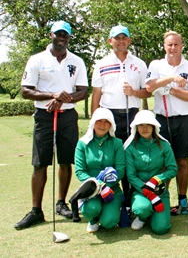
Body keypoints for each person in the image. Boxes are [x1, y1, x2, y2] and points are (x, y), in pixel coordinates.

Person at [15, 21, 88, 230]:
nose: (61, 37)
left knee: (66, 162)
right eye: (58, 34)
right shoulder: (37, 59)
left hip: (67, 116)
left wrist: (62, 100)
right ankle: (36, 210)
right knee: (40, 163)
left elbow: (83, 91)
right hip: (44, 115)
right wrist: (52, 95)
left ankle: (61, 203)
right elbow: (26, 90)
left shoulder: (77, 61)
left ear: (69, 37)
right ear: (51, 35)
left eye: (65, 34)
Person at [91, 25, 151, 198]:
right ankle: (108, 194)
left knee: (130, 156)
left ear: (129, 41)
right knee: (111, 156)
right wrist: (95, 120)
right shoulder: (101, 64)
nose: (121, 41)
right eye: (117, 38)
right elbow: (96, 94)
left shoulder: (139, 64)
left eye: (124, 38)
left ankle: (131, 196)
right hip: (108, 115)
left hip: (131, 114)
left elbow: (147, 91)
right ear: (110, 41)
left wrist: (134, 92)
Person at [145, 30, 188, 215]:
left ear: (182, 46)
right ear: (164, 46)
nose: (173, 48)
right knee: (163, 163)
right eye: (170, 44)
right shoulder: (156, 65)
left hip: (183, 119)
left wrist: (171, 90)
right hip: (161, 120)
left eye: (176, 44)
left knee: (182, 161)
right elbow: (150, 86)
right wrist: (171, 79)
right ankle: (163, 198)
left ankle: (183, 200)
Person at [124, 110, 178, 234]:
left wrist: (156, 180)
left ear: (154, 126)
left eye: (148, 125)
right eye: (141, 125)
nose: (145, 128)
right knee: (142, 208)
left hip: (160, 191)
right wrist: (147, 191)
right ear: (136, 128)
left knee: (161, 228)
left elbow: (173, 169)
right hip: (140, 190)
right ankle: (142, 216)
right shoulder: (130, 147)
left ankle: (155, 214)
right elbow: (131, 176)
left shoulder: (164, 145)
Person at [74, 108, 125, 233]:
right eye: (99, 121)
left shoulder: (117, 143)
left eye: (106, 122)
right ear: (93, 123)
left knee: (109, 222)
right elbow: (80, 171)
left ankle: (109, 213)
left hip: (112, 189)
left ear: (111, 125)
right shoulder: (82, 144)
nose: (102, 125)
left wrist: (107, 186)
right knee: (91, 209)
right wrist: (99, 186)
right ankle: (93, 219)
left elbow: (121, 170)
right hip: (90, 189)